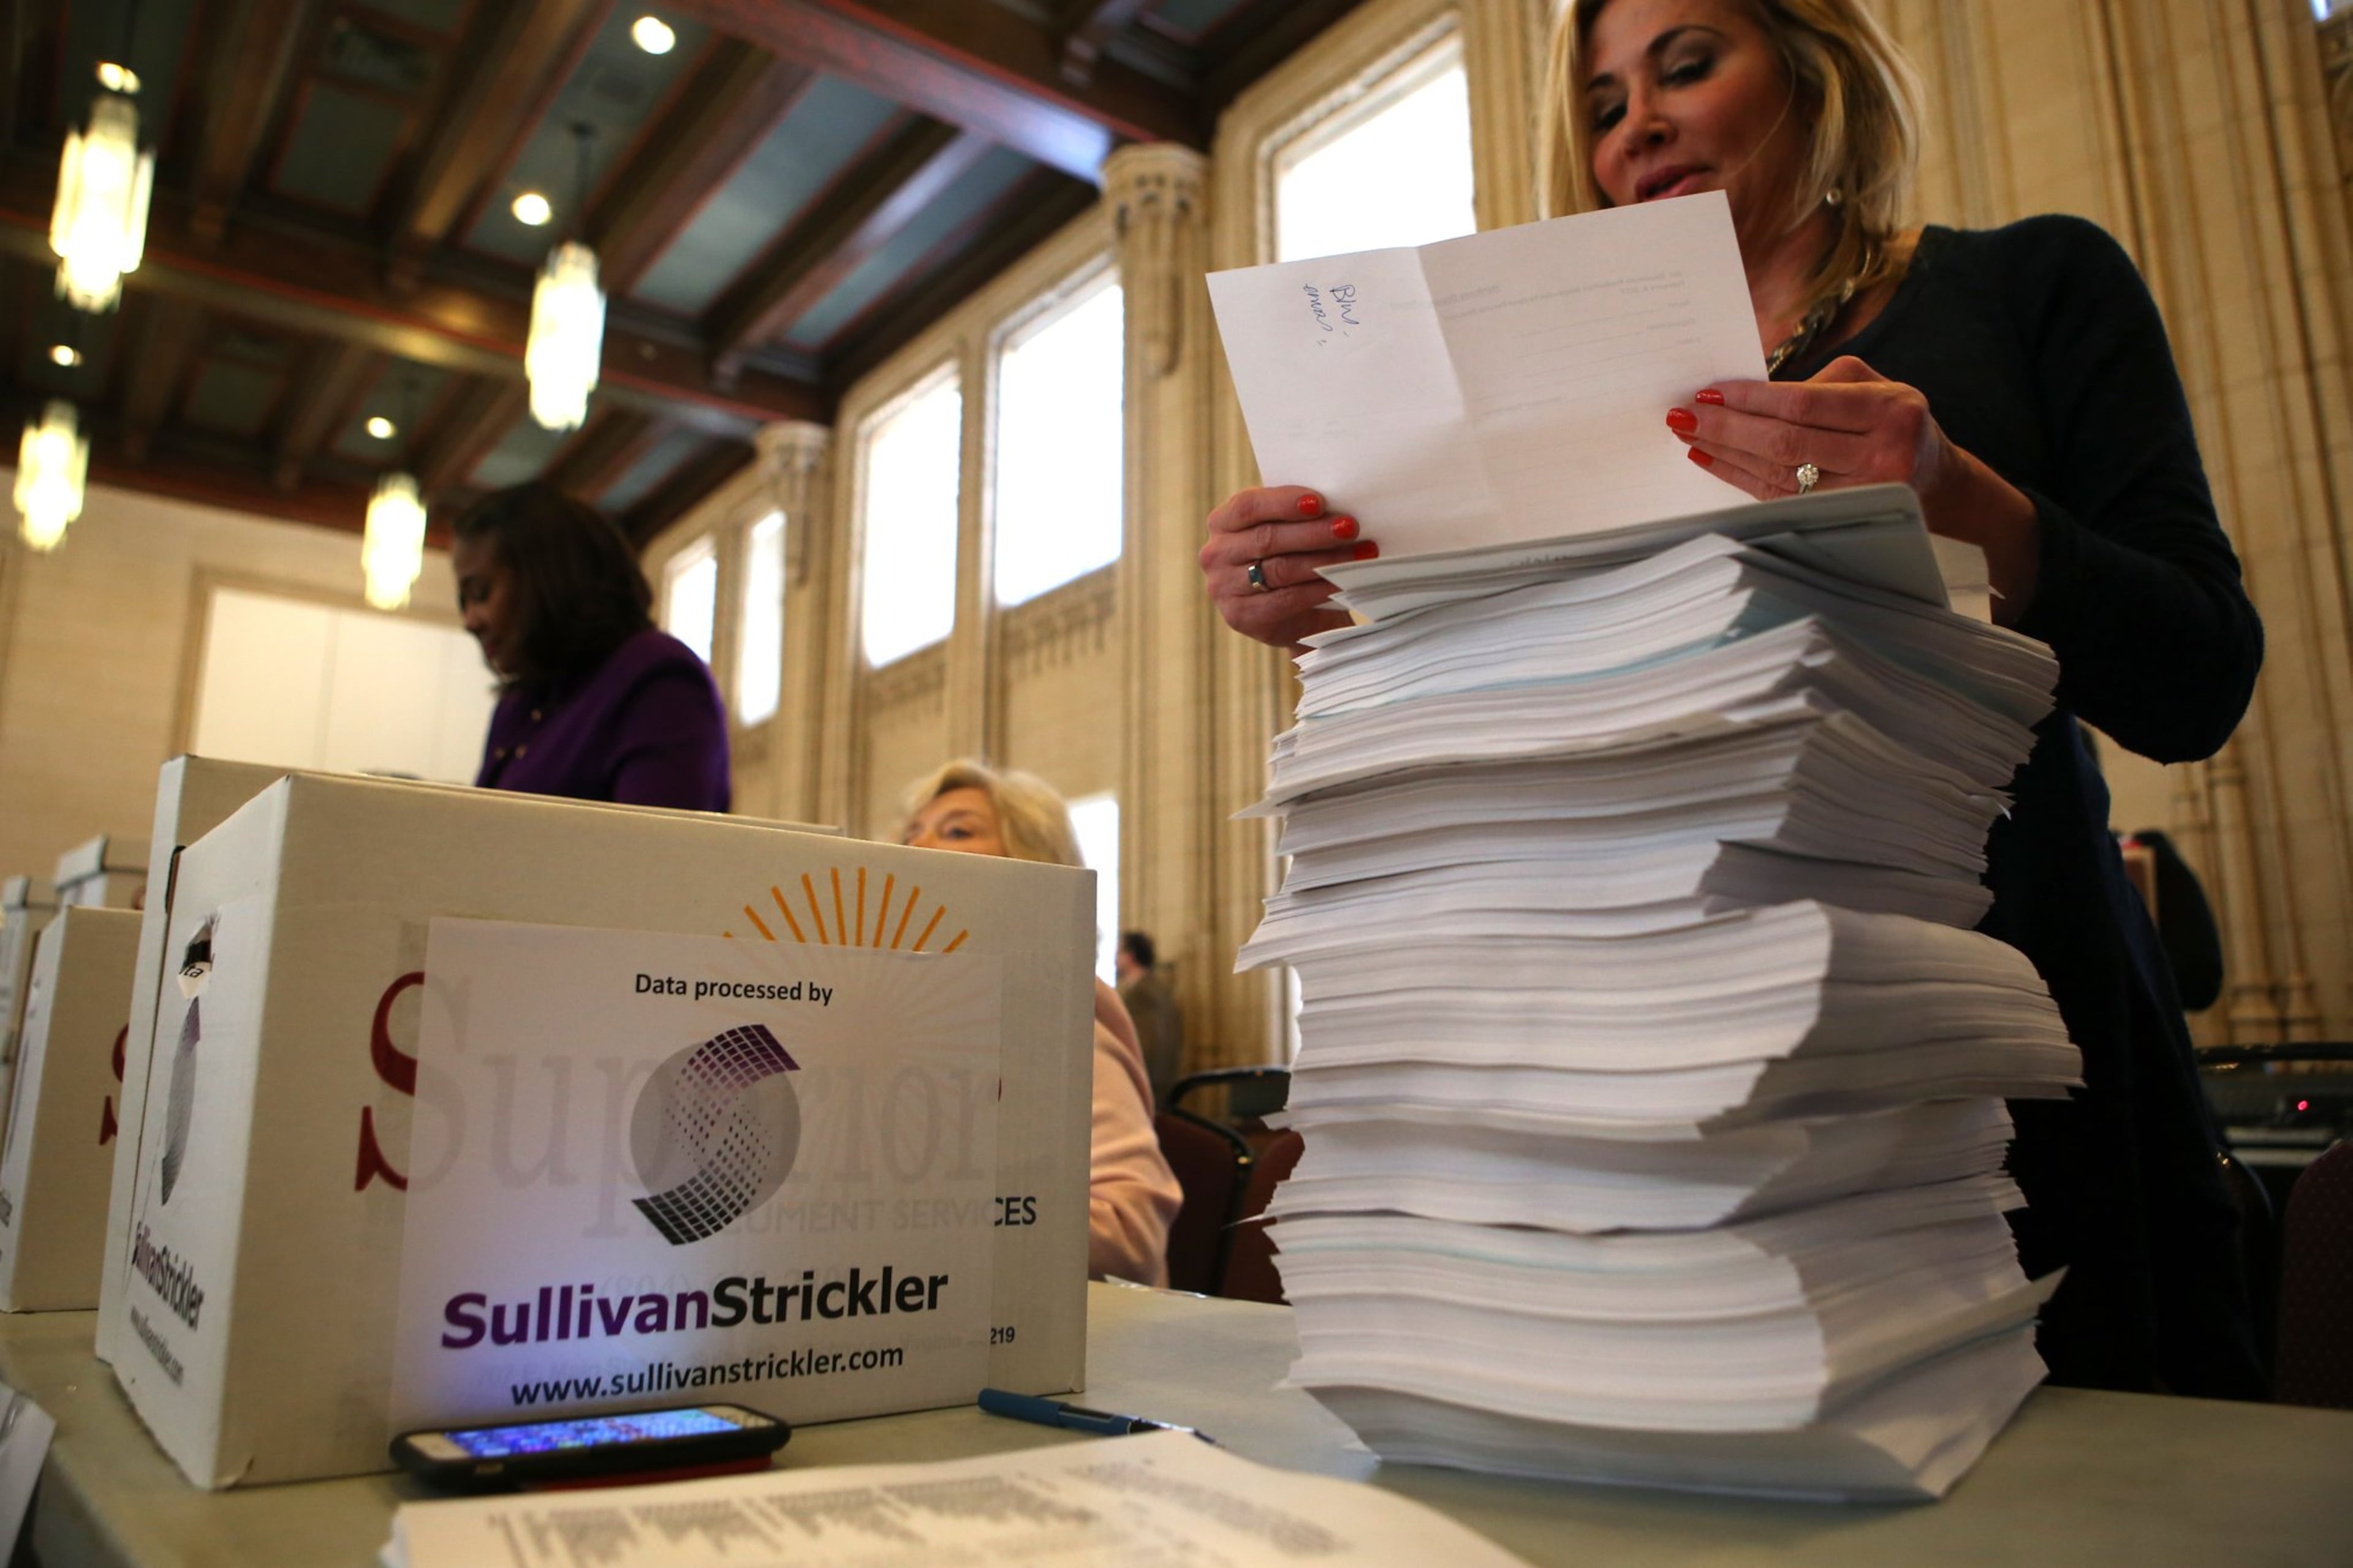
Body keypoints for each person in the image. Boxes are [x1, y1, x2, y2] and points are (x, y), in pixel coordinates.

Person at [1199, 0, 2266, 1399]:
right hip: (1645, 1064)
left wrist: (1956, 499)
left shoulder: (2027, 286)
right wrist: (1343, 613)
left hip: (1986, 1046)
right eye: (1597, 104)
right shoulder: (1556, 406)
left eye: (1684, 64)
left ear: (1811, 67)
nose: (1632, 121)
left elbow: (2199, 674)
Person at [898, 760, 1181, 1287]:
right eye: (911, 832)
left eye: (957, 830)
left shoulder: (1061, 1026)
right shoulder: (906, 1019)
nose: (916, 847)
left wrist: (911, 1215)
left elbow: (1131, 1233)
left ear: (1034, 868)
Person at [454, 482, 730, 812]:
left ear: (548, 578)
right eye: (464, 601)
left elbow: (661, 855)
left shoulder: (657, 679)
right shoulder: (518, 706)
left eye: (482, 593)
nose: (470, 621)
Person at [1116, 930, 1186, 1108]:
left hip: (1148, 1086)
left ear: (1129, 957)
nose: (1116, 959)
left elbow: (1147, 1045)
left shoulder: (1141, 994)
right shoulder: (1158, 988)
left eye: (1119, 952)